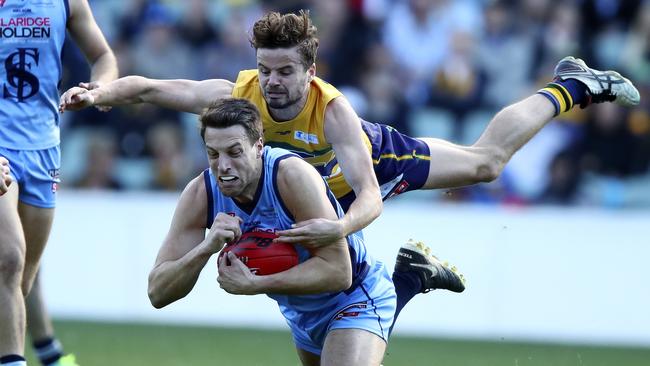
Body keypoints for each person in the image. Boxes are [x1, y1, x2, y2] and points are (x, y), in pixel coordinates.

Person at [59, 10, 640, 329]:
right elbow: (157, 88)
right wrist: (100, 92)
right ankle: (409, 277)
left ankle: (570, 85)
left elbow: (369, 200)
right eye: (266, 68)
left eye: (286, 70)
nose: (273, 81)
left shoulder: (334, 112)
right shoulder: (240, 95)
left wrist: (336, 229)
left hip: (376, 164)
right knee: (331, 305)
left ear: (309, 70)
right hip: (315, 196)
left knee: (486, 164)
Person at [148, 98, 395, 366]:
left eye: (235, 152)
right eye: (213, 154)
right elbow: (158, 292)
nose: (223, 166)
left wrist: (256, 285)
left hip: (355, 295)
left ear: (259, 147)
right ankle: (411, 278)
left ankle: (405, 281)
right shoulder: (200, 193)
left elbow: (339, 272)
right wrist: (206, 247)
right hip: (300, 312)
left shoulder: (290, 176)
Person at [0, 0, 118, 365]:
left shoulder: (67, 3)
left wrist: (96, 90)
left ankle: (40, 352)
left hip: (44, 150)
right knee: (8, 258)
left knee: (20, 284)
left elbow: (103, 56)